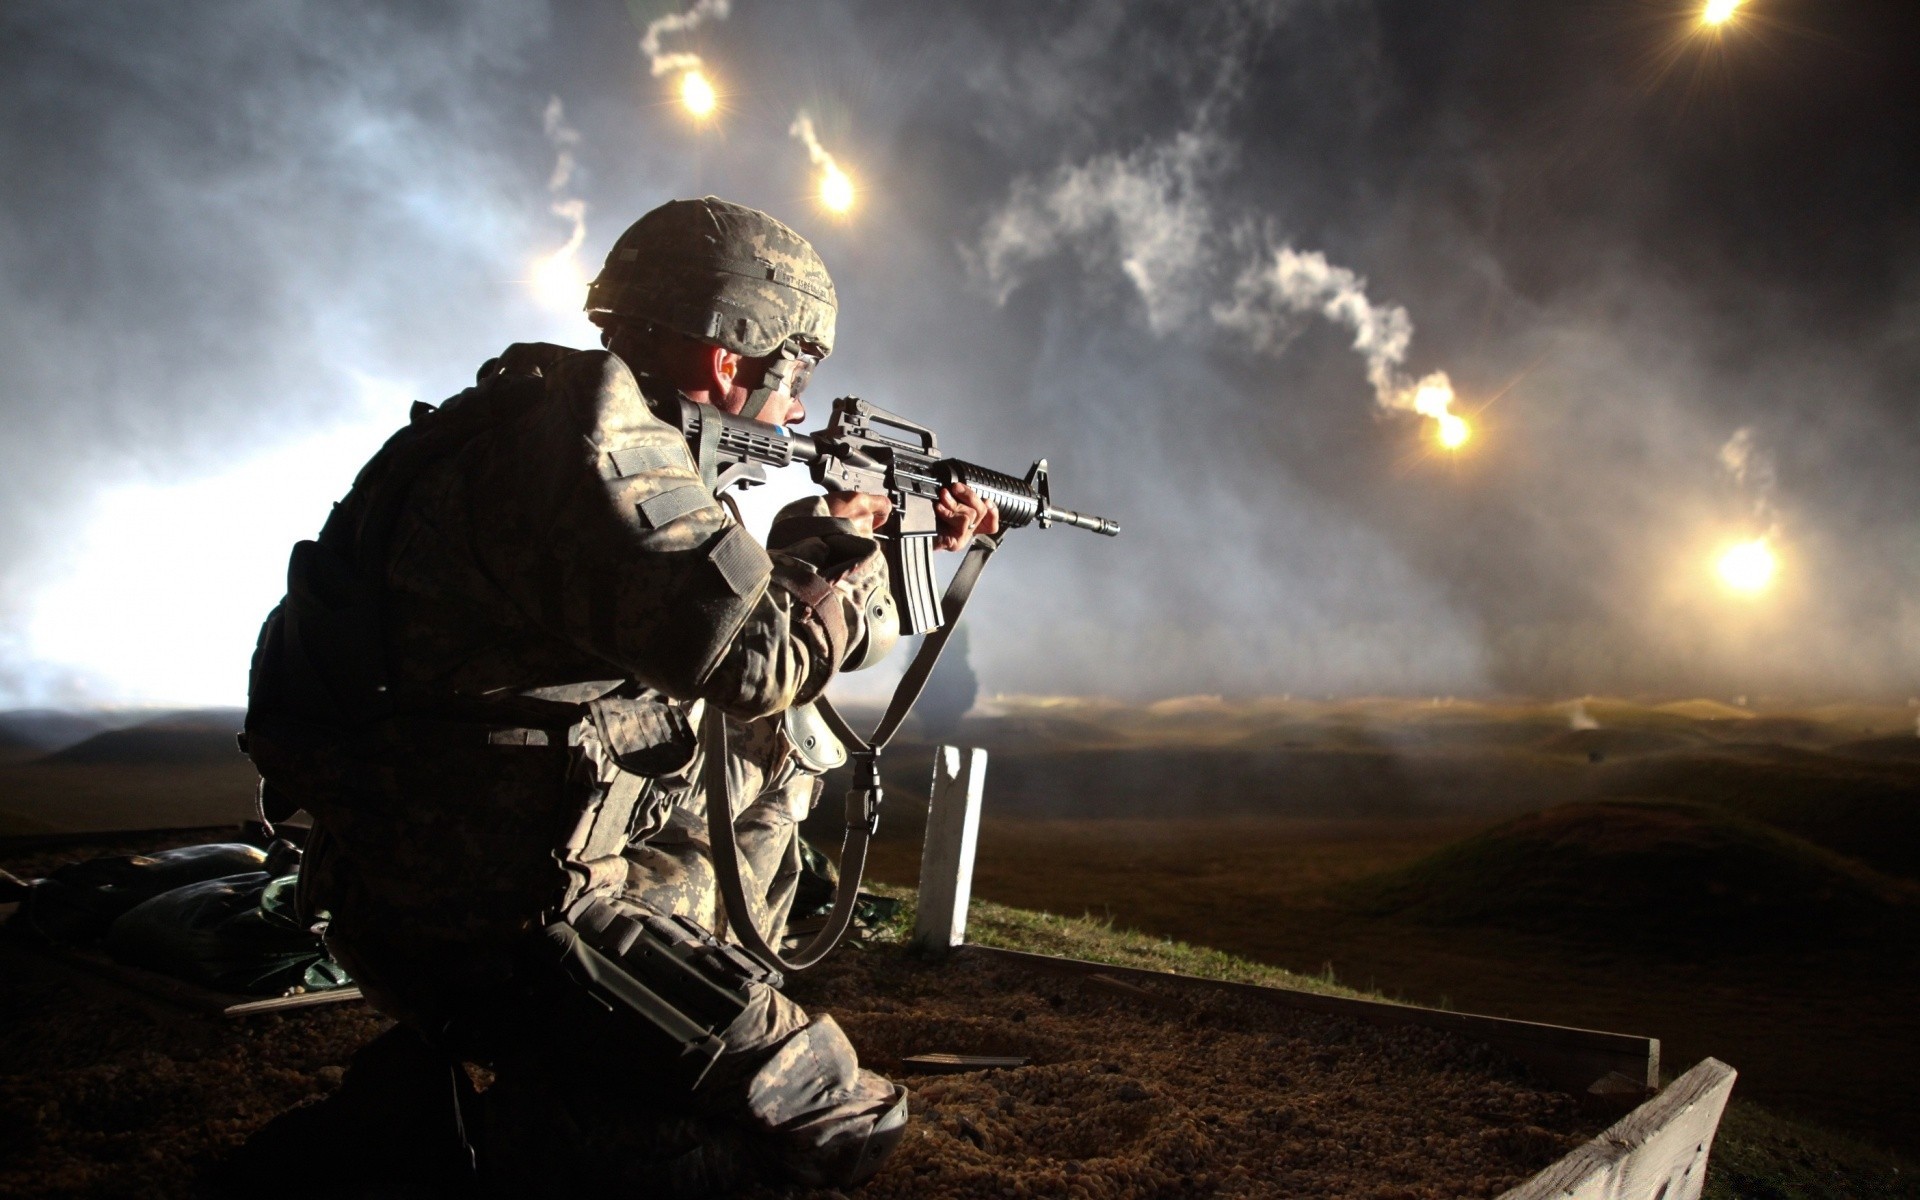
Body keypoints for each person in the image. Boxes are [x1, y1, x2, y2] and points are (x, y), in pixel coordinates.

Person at [234, 195, 997, 1196]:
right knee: (834, 1126)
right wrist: (859, 557)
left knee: (779, 745)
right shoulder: (604, 449)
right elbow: (756, 662)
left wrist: (844, 542)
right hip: (499, 917)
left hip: (411, 869)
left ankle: (601, 1063)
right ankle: (459, 1143)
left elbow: (698, 621)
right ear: (731, 357)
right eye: (795, 373)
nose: (801, 409)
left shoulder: (532, 418)